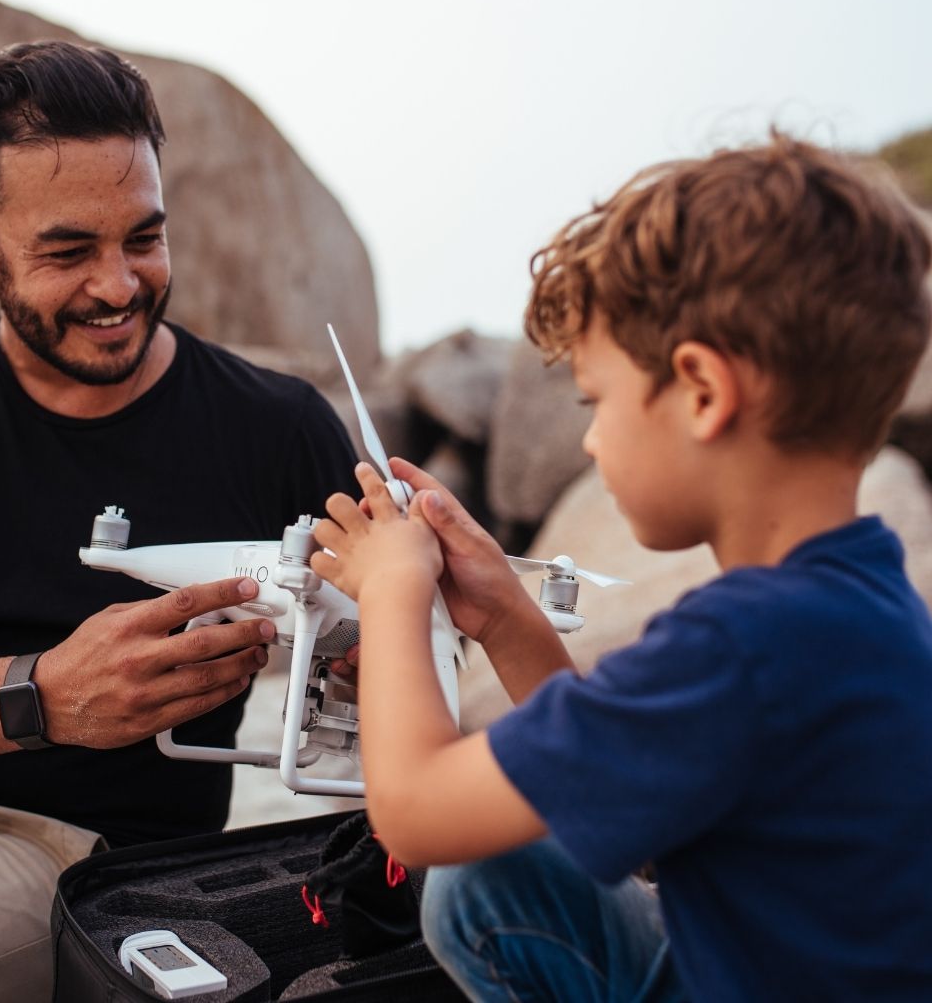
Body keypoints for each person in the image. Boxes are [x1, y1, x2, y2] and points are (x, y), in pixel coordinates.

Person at [311, 133, 932, 1001]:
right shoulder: (859, 604)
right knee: (502, 877)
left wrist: (393, 591)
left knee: (472, 874)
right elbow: (638, 798)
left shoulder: (744, 645)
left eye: (596, 402)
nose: (592, 439)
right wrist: (501, 616)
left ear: (703, 393)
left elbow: (415, 817)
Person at [0, 40, 358, 1002]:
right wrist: (43, 696)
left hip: (91, 871)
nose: (120, 286)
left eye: (144, 237)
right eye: (68, 250)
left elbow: (402, 665)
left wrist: (375, 652)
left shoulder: (279, 425)